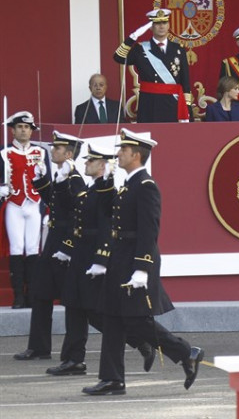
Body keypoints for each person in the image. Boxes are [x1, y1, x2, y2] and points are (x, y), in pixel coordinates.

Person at [82, 129, 203, 395]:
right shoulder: (127, 185)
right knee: (112, 318)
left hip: (135, 258)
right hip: (120, 256)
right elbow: (107, 212)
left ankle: (185, 352)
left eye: (123, 150)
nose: (118, 154)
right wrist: (105, 180)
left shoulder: (146, 187)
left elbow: (149, 230)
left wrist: (142, 268)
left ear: (136, 155)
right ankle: (112, 379)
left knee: (137, 321)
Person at [45, 144, 154, 377]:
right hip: (80, 254)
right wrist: (61, 183)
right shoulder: (90, 189)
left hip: (94, 257)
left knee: (96, 311)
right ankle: (73, 359)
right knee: (74, 305)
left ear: (102, 165)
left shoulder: (107, 191)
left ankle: (140, 341)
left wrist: (102, 259)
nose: (85, 164)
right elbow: (69, 213)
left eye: (90, 161)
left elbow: (107, 228)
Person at [14, 131, 85, 362]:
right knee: (40, 294)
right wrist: (41, 180)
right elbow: (54, 202)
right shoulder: (61, 175)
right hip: (52, 241)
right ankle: (39, 347)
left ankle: (135, 339)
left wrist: (67, 247)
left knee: (82, 306)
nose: (52, 151)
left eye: (57, 148)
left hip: (65, 248)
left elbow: (77, 215)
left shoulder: (74, 179)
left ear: (69, 153)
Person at [0, 112, 46, 310]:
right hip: (14, 204)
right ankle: (18, 295)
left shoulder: (41, 152)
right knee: (17, 247)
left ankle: (33, 293)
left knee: (33, 248)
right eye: (20, 127)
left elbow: (47, 182)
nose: (24, 130)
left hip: (34, 203)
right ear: (12, 130)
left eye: (27, 127)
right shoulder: (4, 153)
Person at [114, 9, 191, 123]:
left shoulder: (178, 49)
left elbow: (185, 80)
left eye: (164, 23)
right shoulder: (140, 49)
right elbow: (118, 57)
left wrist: (187, 105)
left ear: (168, 25)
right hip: (150, 103)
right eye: (157, 23)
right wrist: (133, 37)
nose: (161, 26)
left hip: (172, 103)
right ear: (150, 27)